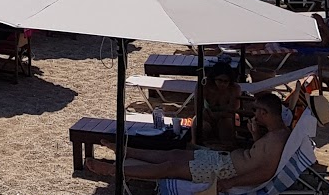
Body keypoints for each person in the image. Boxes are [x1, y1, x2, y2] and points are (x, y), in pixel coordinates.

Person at [87, 92, 290, 187]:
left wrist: (227, 184)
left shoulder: (276, 140)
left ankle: (115, 170)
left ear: (265, 112)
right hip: (223, 161)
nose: (254, 115)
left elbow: (265, 173)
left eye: (257, 112)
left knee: (169, 167)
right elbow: (258, 155)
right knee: (175, 154)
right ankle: (129, 151)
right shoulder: (275, 133)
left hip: (225, 171)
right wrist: (255, 135)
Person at [174, 62, 242, 147]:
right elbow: (198, 110)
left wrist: (216, 114)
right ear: (213, 79)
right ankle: (197, 145)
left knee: (226, 125)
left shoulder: (234, 89)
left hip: (225, 117)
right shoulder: (204, 86)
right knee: (201, 125)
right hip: (206, 116)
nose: (222, 84)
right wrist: (209, 115)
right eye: (220, 80)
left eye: (226, 81)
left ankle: (226, 147)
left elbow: (233, 110)